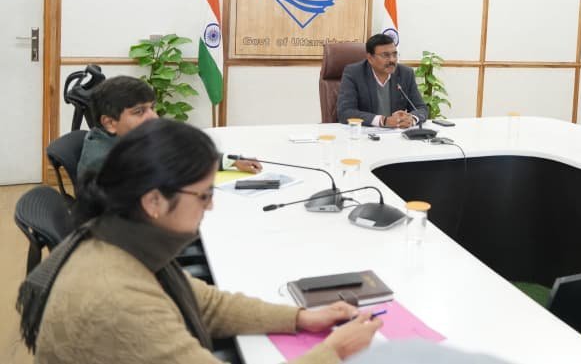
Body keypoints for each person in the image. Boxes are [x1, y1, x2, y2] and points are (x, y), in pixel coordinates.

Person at [19, 119, 382, 363]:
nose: (211, 205)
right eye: (204, 195)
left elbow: (203, 304)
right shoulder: (118, 299)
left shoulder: (119, 234)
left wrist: (300, 317)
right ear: (154, 201)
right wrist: (334, 351)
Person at [78, 76, 261, 186]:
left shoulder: (128, 140)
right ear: (110, 122)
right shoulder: (107, 164)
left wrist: (230, 161)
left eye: (152, 108)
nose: (153, 117)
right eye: (139, 111)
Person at [337, 33, 428, 128]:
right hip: (365, 132)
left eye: (394, 54)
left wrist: (412, 119)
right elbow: (345, 112)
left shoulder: (406, 73)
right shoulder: (354, 73)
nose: (392, 60)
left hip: (396, 133)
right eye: (386, 55)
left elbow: (421, 108)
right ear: (370, 58)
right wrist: (383, 121)